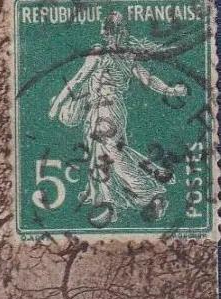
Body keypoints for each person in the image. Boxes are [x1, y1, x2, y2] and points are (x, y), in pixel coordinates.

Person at [47, 12, 189, 226]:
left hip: (105, 110)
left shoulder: (105, 54)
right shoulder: (123, 55)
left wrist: (57, 104)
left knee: (110, 153)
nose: (118, 36)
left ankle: (148, 193)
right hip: (109, 111)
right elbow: (148, 79)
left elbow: (78, 80)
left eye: (119, 32)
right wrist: (171, 90)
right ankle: (114, 198)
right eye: (116, 32)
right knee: (104, 152)